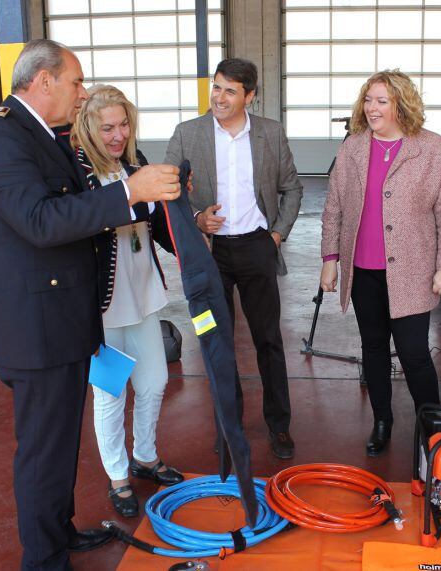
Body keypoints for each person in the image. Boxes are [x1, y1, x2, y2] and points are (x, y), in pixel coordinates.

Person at [0, 39, 181, 570]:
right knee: (42, 451)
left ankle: (57, 534)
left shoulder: (38, 135)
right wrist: (128, 193)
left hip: (60, 319)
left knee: (60, 445)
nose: (81, 93)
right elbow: (40, 221)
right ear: (43, 82)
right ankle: (43, 560)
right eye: (76, 82)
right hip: (36, 327)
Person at [165, 58, 303, 460]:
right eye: (216, 87)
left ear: (250, 96)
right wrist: (195, 218)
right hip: (212, 255)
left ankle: (279, 426)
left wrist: (275, 235)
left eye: (230, 90)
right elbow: (168, 193)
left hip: (257, 247)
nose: (219, 97)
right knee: (217, 343)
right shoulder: (187, 134)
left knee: (269, 341)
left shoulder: (270, 135)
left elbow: (292, 189)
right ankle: (229, 426)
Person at [319, 70, 441, 457]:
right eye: (368, 99)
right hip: (363, 268)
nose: (373, 107)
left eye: (382, 100)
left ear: (402, 104)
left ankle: (431, 427)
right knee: (374, 347)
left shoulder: (431, 149)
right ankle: (383, 420)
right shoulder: (352, 147)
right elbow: (334, 207)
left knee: (415, 352)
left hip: (413, 270)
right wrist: (330, 259)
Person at [70, 84, 183, 519]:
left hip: (142, 296)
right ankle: (119, 476)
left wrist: (192, 230)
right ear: (89, 128)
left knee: (154, 382)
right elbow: (84, 223)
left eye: (123, 125)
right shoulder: (80, 172)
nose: (118, 135)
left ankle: (146, 456)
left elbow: (157, 225)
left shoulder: (134, 164)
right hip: (103, 307)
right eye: (107, 127)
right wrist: (137, 197)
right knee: (110, 393)